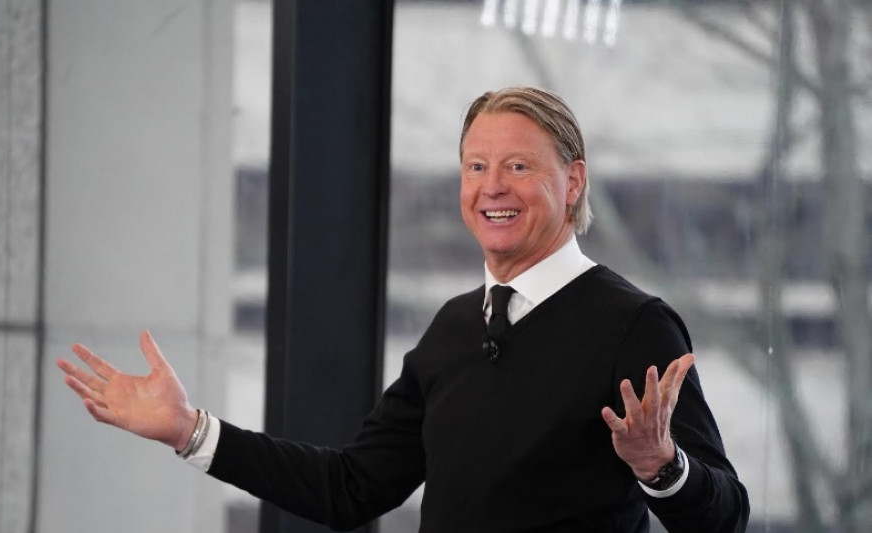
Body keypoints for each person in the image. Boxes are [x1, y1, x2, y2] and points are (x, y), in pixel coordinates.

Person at [57, 86, 750, 532]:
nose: (491, 187)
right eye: (475, 166)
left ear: (572, 183)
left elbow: (726, 515)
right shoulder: (455, 328)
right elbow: (350, 487)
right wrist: (190, 431)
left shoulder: (633, 325)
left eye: (518, 166)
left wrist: (661, 466)